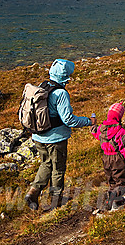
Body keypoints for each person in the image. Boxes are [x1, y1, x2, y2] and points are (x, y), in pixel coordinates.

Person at [24, 59, 94, 211]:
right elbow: (68, 120)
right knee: (58, 169)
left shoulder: (43, 86)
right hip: (56, 139)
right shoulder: (61, 93)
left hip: (38, 137)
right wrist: (88, 121)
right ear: (66, 78)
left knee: (45, 164)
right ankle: (56, 200)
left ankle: (33, 192)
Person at [94, 101, 125, 211]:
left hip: (106, 158)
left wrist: (93, 125)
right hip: (117, 158)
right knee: (123, 181)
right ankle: (113, 196)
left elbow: (96, 134)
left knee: (112, 180)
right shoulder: (120, 131)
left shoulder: (102, 128)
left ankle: (116, 200)